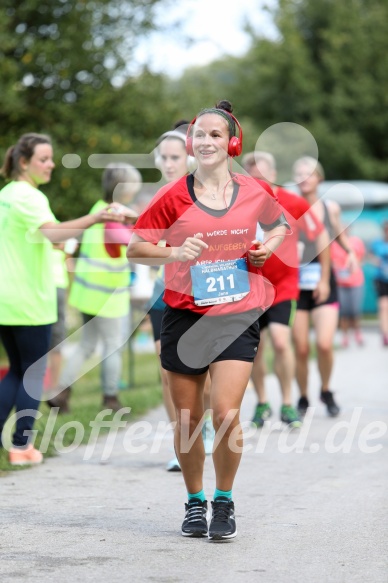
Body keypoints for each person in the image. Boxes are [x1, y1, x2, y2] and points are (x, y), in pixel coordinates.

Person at [127, 100, 289, 541]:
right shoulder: (171, 195)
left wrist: (267, 245)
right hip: (184, 315)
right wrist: (175, 252)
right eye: (199, 135)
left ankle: (224, 499)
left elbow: (281, 224)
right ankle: (194, 501)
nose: (205, 141)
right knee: (187, 420)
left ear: (232, 142)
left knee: (225, 413)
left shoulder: (253, 190)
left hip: (236, 314)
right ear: (189, 142)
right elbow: (136, 249)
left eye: (215, 134)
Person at [0, 133, 127, 465]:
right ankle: (21, 446)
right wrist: (96, 218)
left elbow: (42, 239)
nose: (52, 164)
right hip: (30, 301)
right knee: (31, 373)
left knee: (17, 370)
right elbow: (55, 233)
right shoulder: (30, 197)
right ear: (24, 162)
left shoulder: (7, 195)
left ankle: (14, 443)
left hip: (7, 300)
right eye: (44, 159)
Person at [241, 151, 331, 428]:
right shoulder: (237, 205)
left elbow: (320, 235)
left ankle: (289, 403)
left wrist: (325, 276)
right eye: (251, 174)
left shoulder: (292, 201)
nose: (257, 179)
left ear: (273, 174)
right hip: (250, 285)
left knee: (281, 341)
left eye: (262, 173)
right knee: (255, 349)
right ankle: (262, 402)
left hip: (283, 285)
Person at [47, 162, 141, 413]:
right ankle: (111, 399)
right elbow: (129, 240)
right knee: (112, 345)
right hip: (108, 295)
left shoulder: (98, 209)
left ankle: (60, 393)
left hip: (88, 292)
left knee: (86, 345)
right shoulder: (112, 217)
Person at [150, 122, 214, 472]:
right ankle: (182, 441)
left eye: (175, 156)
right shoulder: (159, 196)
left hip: (201, 291)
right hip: (163, 292)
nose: (169, 163)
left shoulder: (203, 193)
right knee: (166, 371)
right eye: (164, 157)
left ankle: (201, 430)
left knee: (202, 378)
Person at [292, 156, 359, 417]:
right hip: (296, 284)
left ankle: (326, 389)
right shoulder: (289, 207)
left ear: (319, 178)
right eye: (299, 172)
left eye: (308, 172)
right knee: (300, 347)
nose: (303, 177)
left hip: (325, 281)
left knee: (323, 344)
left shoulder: (330, 208)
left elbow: (339, 233)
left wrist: (350, 252)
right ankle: (303, 396)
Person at [331, 227, 366, 347]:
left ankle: (357, 332)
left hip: (356, 281)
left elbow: (361, 258)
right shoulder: (333, 244)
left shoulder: (356, 242)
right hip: (340, 282)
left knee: (355, 310)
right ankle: (345, 336)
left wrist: (353, 266)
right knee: (344, 311)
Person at [370, 220, 388, 346]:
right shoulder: (377, 243)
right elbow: (369, 256)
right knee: (383, 307)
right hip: (381, 279)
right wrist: (375, 260)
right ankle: (385, 334)